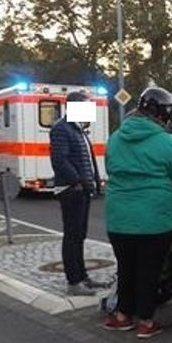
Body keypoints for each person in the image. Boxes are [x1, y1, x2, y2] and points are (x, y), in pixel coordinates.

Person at [103, 87, 172, 338]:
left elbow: (111, 169)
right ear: (163, 115)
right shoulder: (167, 143)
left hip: (118, 218)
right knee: (149, 270)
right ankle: (145, 321)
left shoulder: (115, 138)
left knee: (126, 267)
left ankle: (122, 316)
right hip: (155, 219)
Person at [49, 90, 105, 296]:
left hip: (82, 189)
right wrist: (78, 181)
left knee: (80, 236)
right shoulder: (61, 129)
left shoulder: (78, 129)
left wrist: (95, 184)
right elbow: (60, 161)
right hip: (72, 190)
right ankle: (74, 282)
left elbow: (88, 161)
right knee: (72, 236)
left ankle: (83, 277)